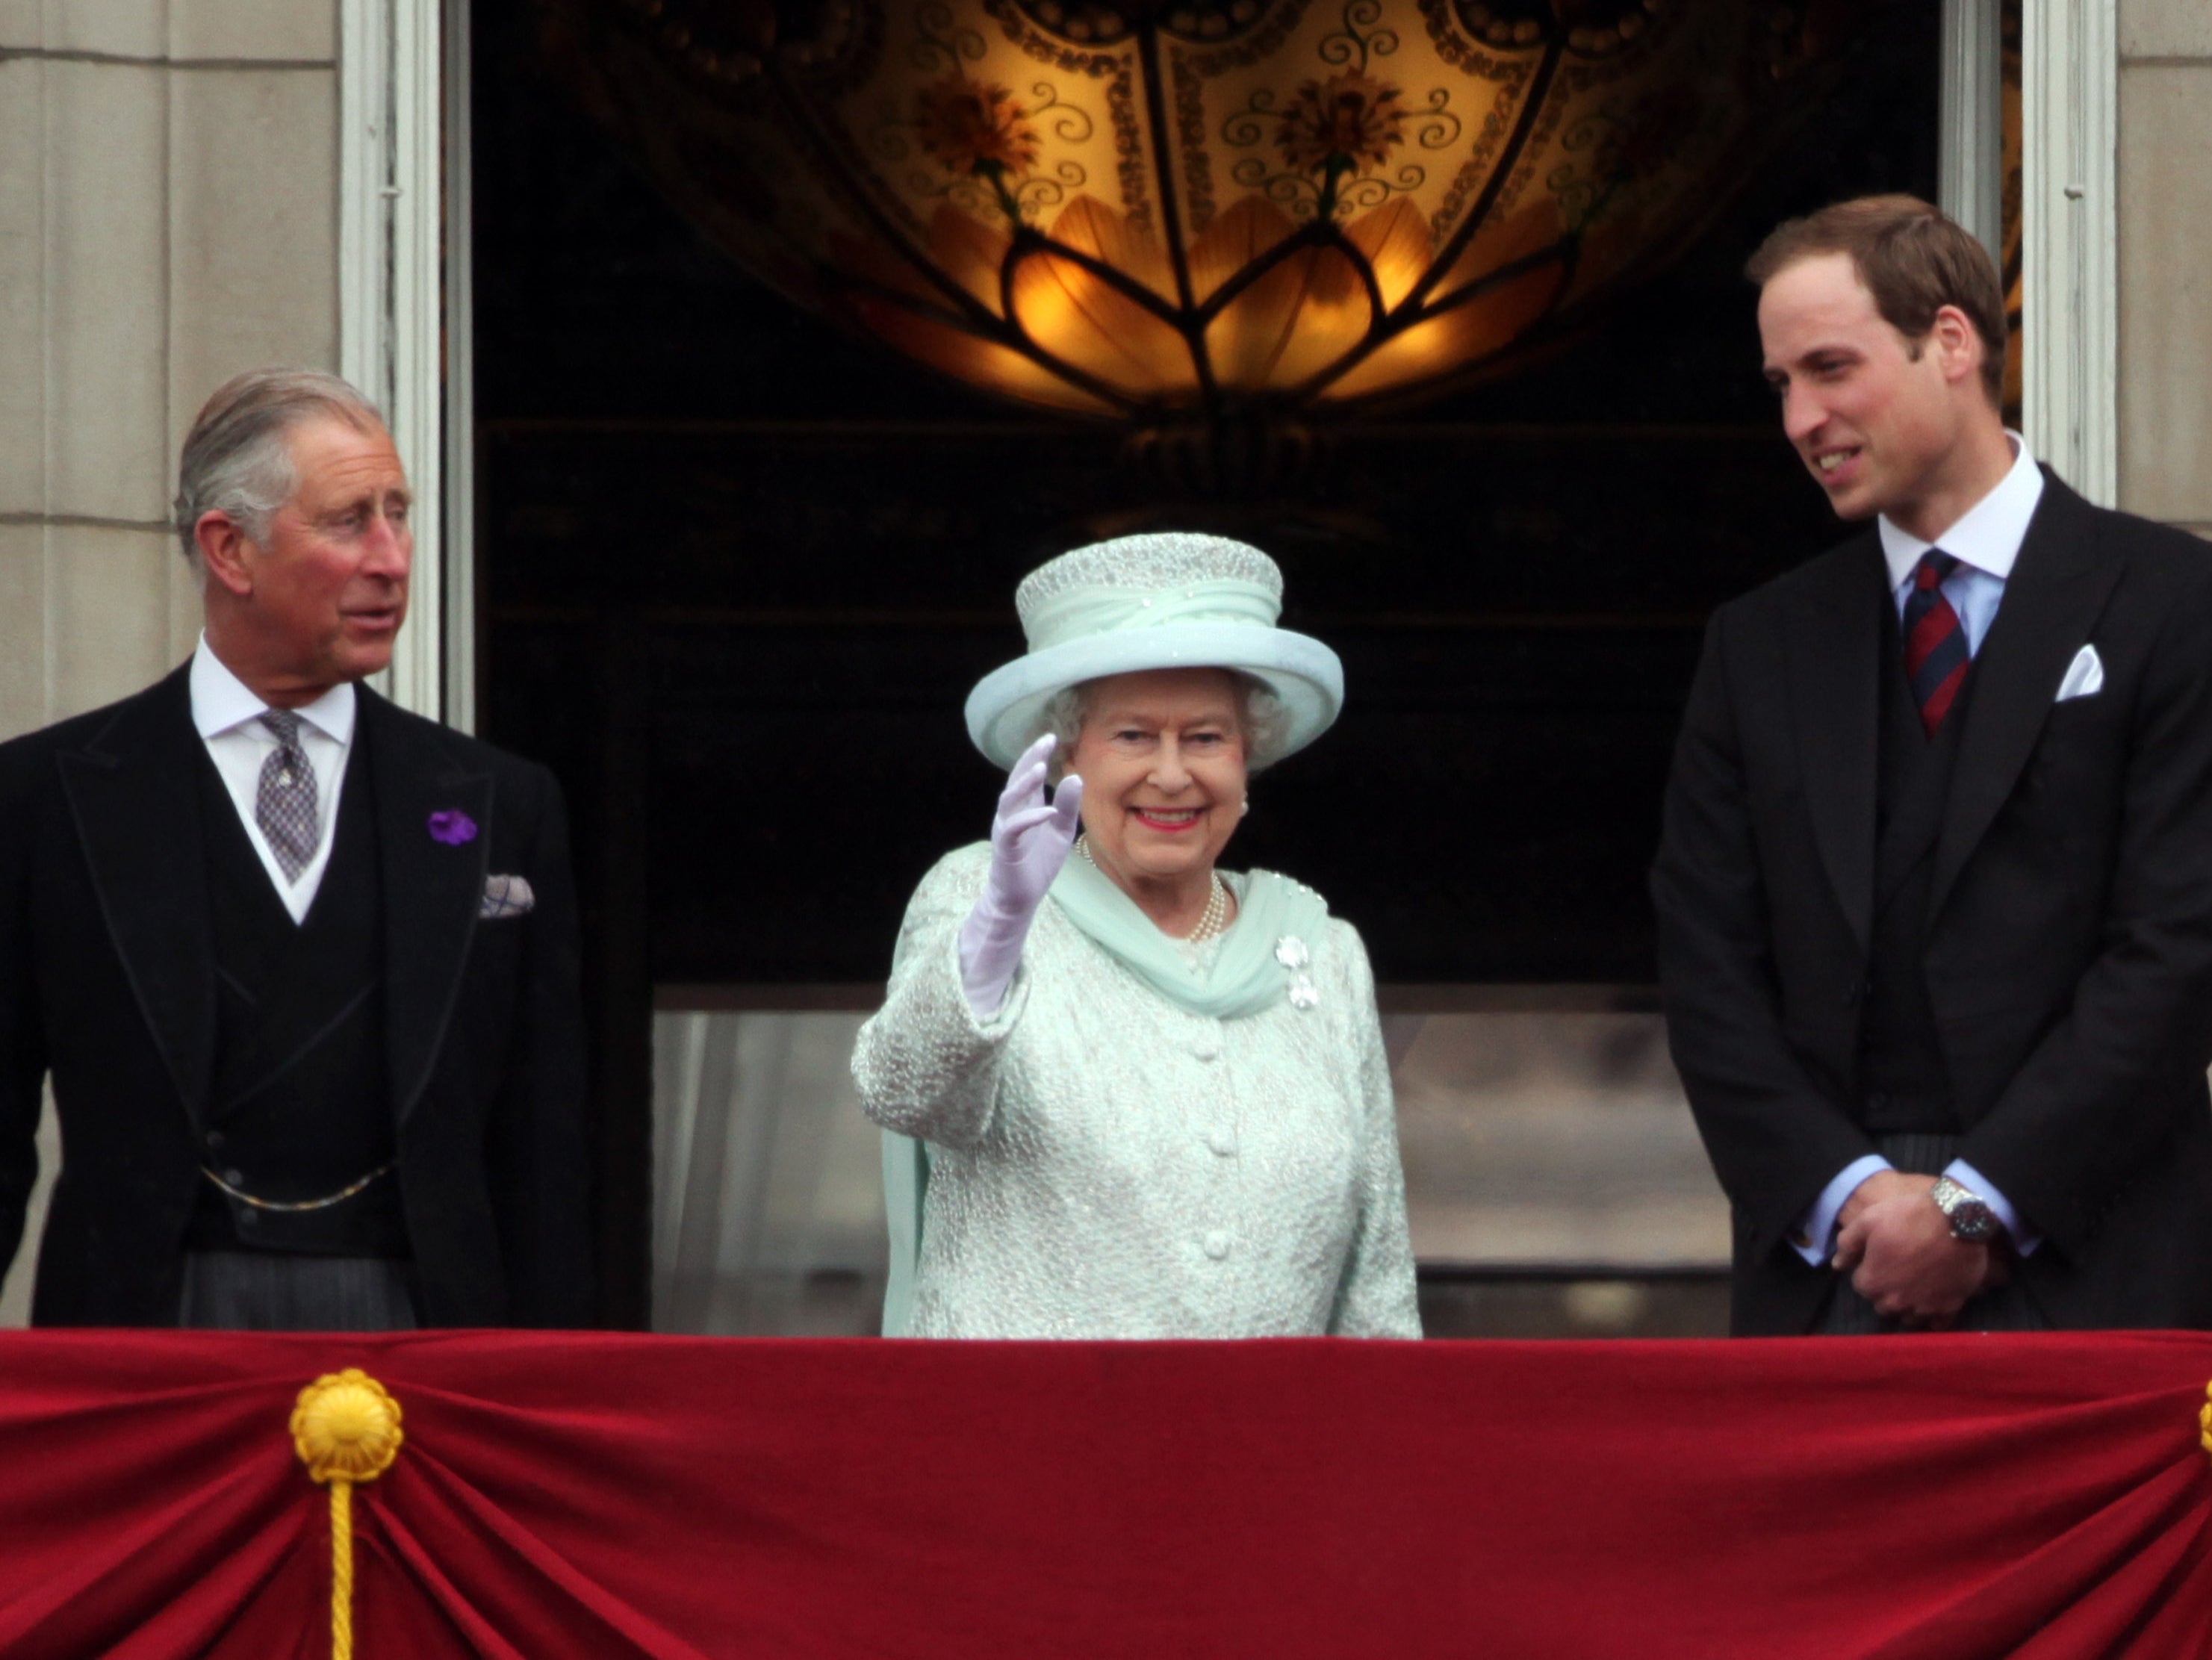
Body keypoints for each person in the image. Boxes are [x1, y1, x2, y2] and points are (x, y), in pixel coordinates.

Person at [1653, 195, 2212, 1336]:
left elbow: (2175, 948)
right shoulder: (1755, 644)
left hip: (2100, 1273)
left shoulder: (2171, 602)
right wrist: (1852, 1198)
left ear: (1949, 342)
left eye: (1829, 368)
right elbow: (1706, 965)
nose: (1801, 418)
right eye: (1781, 386)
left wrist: (1975, 1206)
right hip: (1828, 1274)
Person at [0, 367, 592, 1329]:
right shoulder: (44, 799)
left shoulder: (502, 806)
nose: (394, 559)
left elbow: (545, 1157)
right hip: (150, 1337)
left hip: (424, 1336)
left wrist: (555, 1417)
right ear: (229, 549)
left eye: (398, 514)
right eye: (350, 521)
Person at [851, 533, 1420, 1339]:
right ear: (1063, 756)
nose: (1172, 773)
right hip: (1033, 1446)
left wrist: (1385, 1444)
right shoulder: (984, 900)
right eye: (1132, 736)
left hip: (1264, 1452)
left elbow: (1377, 1265)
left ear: (1247, 758)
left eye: (1205, 737)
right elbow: (900, 1089)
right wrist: (1001, 925)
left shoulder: (1325, 952)